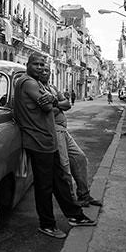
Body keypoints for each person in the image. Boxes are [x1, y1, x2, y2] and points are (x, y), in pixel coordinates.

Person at [13, 53, 96, 239]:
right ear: (28, 65)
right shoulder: (29, 82)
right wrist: (53, 102)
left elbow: (55, 103)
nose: (41, 68)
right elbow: (47, 106)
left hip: (47, 141)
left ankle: (75, 215)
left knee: (59, 181)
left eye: (43, 65)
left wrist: (53, 101)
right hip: (38, 141)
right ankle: (47, 224)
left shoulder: (40, 83)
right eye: (36, 64)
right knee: (44, 186)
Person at [39, 69, 103, 209]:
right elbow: (47, 109)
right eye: (40, 68)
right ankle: (72, 203)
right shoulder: (37, 88)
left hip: (63, 130)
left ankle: (84, 195)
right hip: (54, 130)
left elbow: (67, 104)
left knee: (79, 158)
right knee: (64, 167)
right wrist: (58, 105)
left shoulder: (52, 88)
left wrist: (56, 103)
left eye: (46, 69)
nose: (44, 71)